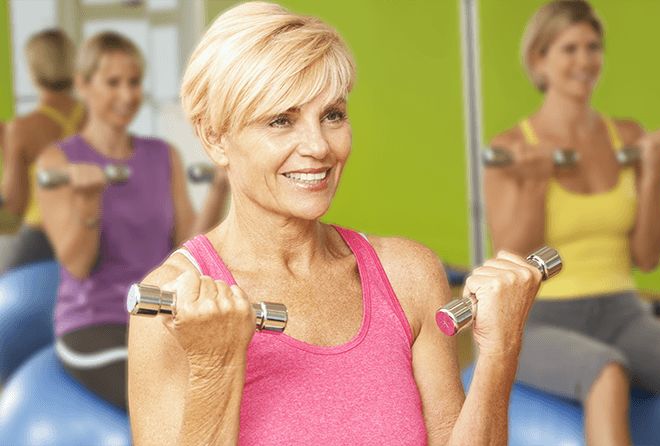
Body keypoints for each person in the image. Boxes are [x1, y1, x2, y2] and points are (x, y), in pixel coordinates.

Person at [129, 3, 545, 444]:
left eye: (332, 115)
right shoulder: (174, 305)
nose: (319, 146)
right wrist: (216, 366)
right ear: (214, 137)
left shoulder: (408, 276)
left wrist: (499, 354)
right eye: (281, 120)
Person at [484, 1, 660, 445]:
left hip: (623, 313)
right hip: (537, 320)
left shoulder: (626, 137)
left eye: (593, 47)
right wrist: (534, 186)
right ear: (540, 59)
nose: (584, 61)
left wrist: (650, 176)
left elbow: (647, 259)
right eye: (569, 48)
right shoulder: (513, 147)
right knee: (606, 372)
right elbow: (512, 259)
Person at [36, 31, 229, 410]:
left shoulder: (162, 156)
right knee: (173, 404)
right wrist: (89, 200)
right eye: (113, 82)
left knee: (232, 388)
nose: (127, 94)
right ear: (83, 85)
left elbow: (188, 248)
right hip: (95, 325)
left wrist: (220, 190)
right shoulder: (58, 162)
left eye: (134, 82)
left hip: (160, 316)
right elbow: (77, 264)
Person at [0, 29, 85, 270]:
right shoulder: (96, 119)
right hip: (91, 238)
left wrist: (8, 151)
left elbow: (14, 207)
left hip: (41, 241)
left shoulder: (21, 129)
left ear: (32, 70)